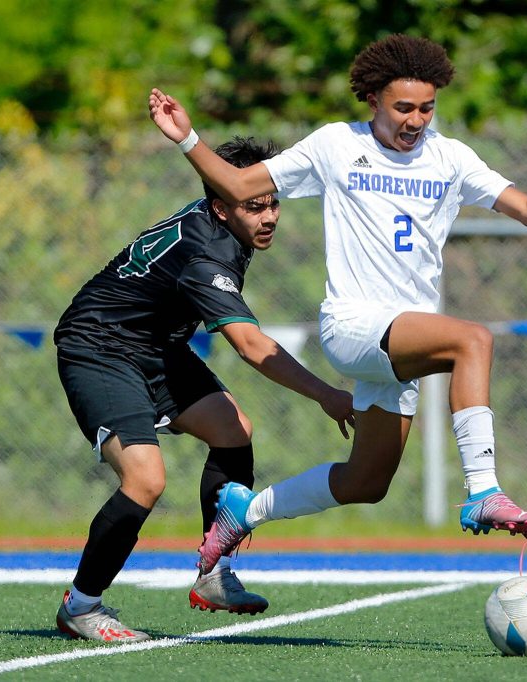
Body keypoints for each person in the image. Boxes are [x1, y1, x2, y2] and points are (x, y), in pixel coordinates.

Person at [147, 34, 527, 572]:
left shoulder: (451, 157)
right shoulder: (336, 145)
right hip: (353, 324)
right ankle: (483, 490)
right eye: (404, 108)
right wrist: (188, 139)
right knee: (472, 340)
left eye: (427, 108)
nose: (416, 120)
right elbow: (236, 182)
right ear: (374, 101)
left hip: (403, 336)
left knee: (365, 482)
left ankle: (246, 510)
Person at [53, 137, 355, 643]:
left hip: (153, 346)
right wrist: (327, 394)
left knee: (233, 430)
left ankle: (213, 573)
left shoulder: (219, 220)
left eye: (273, 202)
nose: (270, 216)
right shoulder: (208, 255)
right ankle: (81, 606)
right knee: (145, 479)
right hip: (99, 345)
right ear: (220, 206)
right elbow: (252, 347)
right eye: (254, 205)